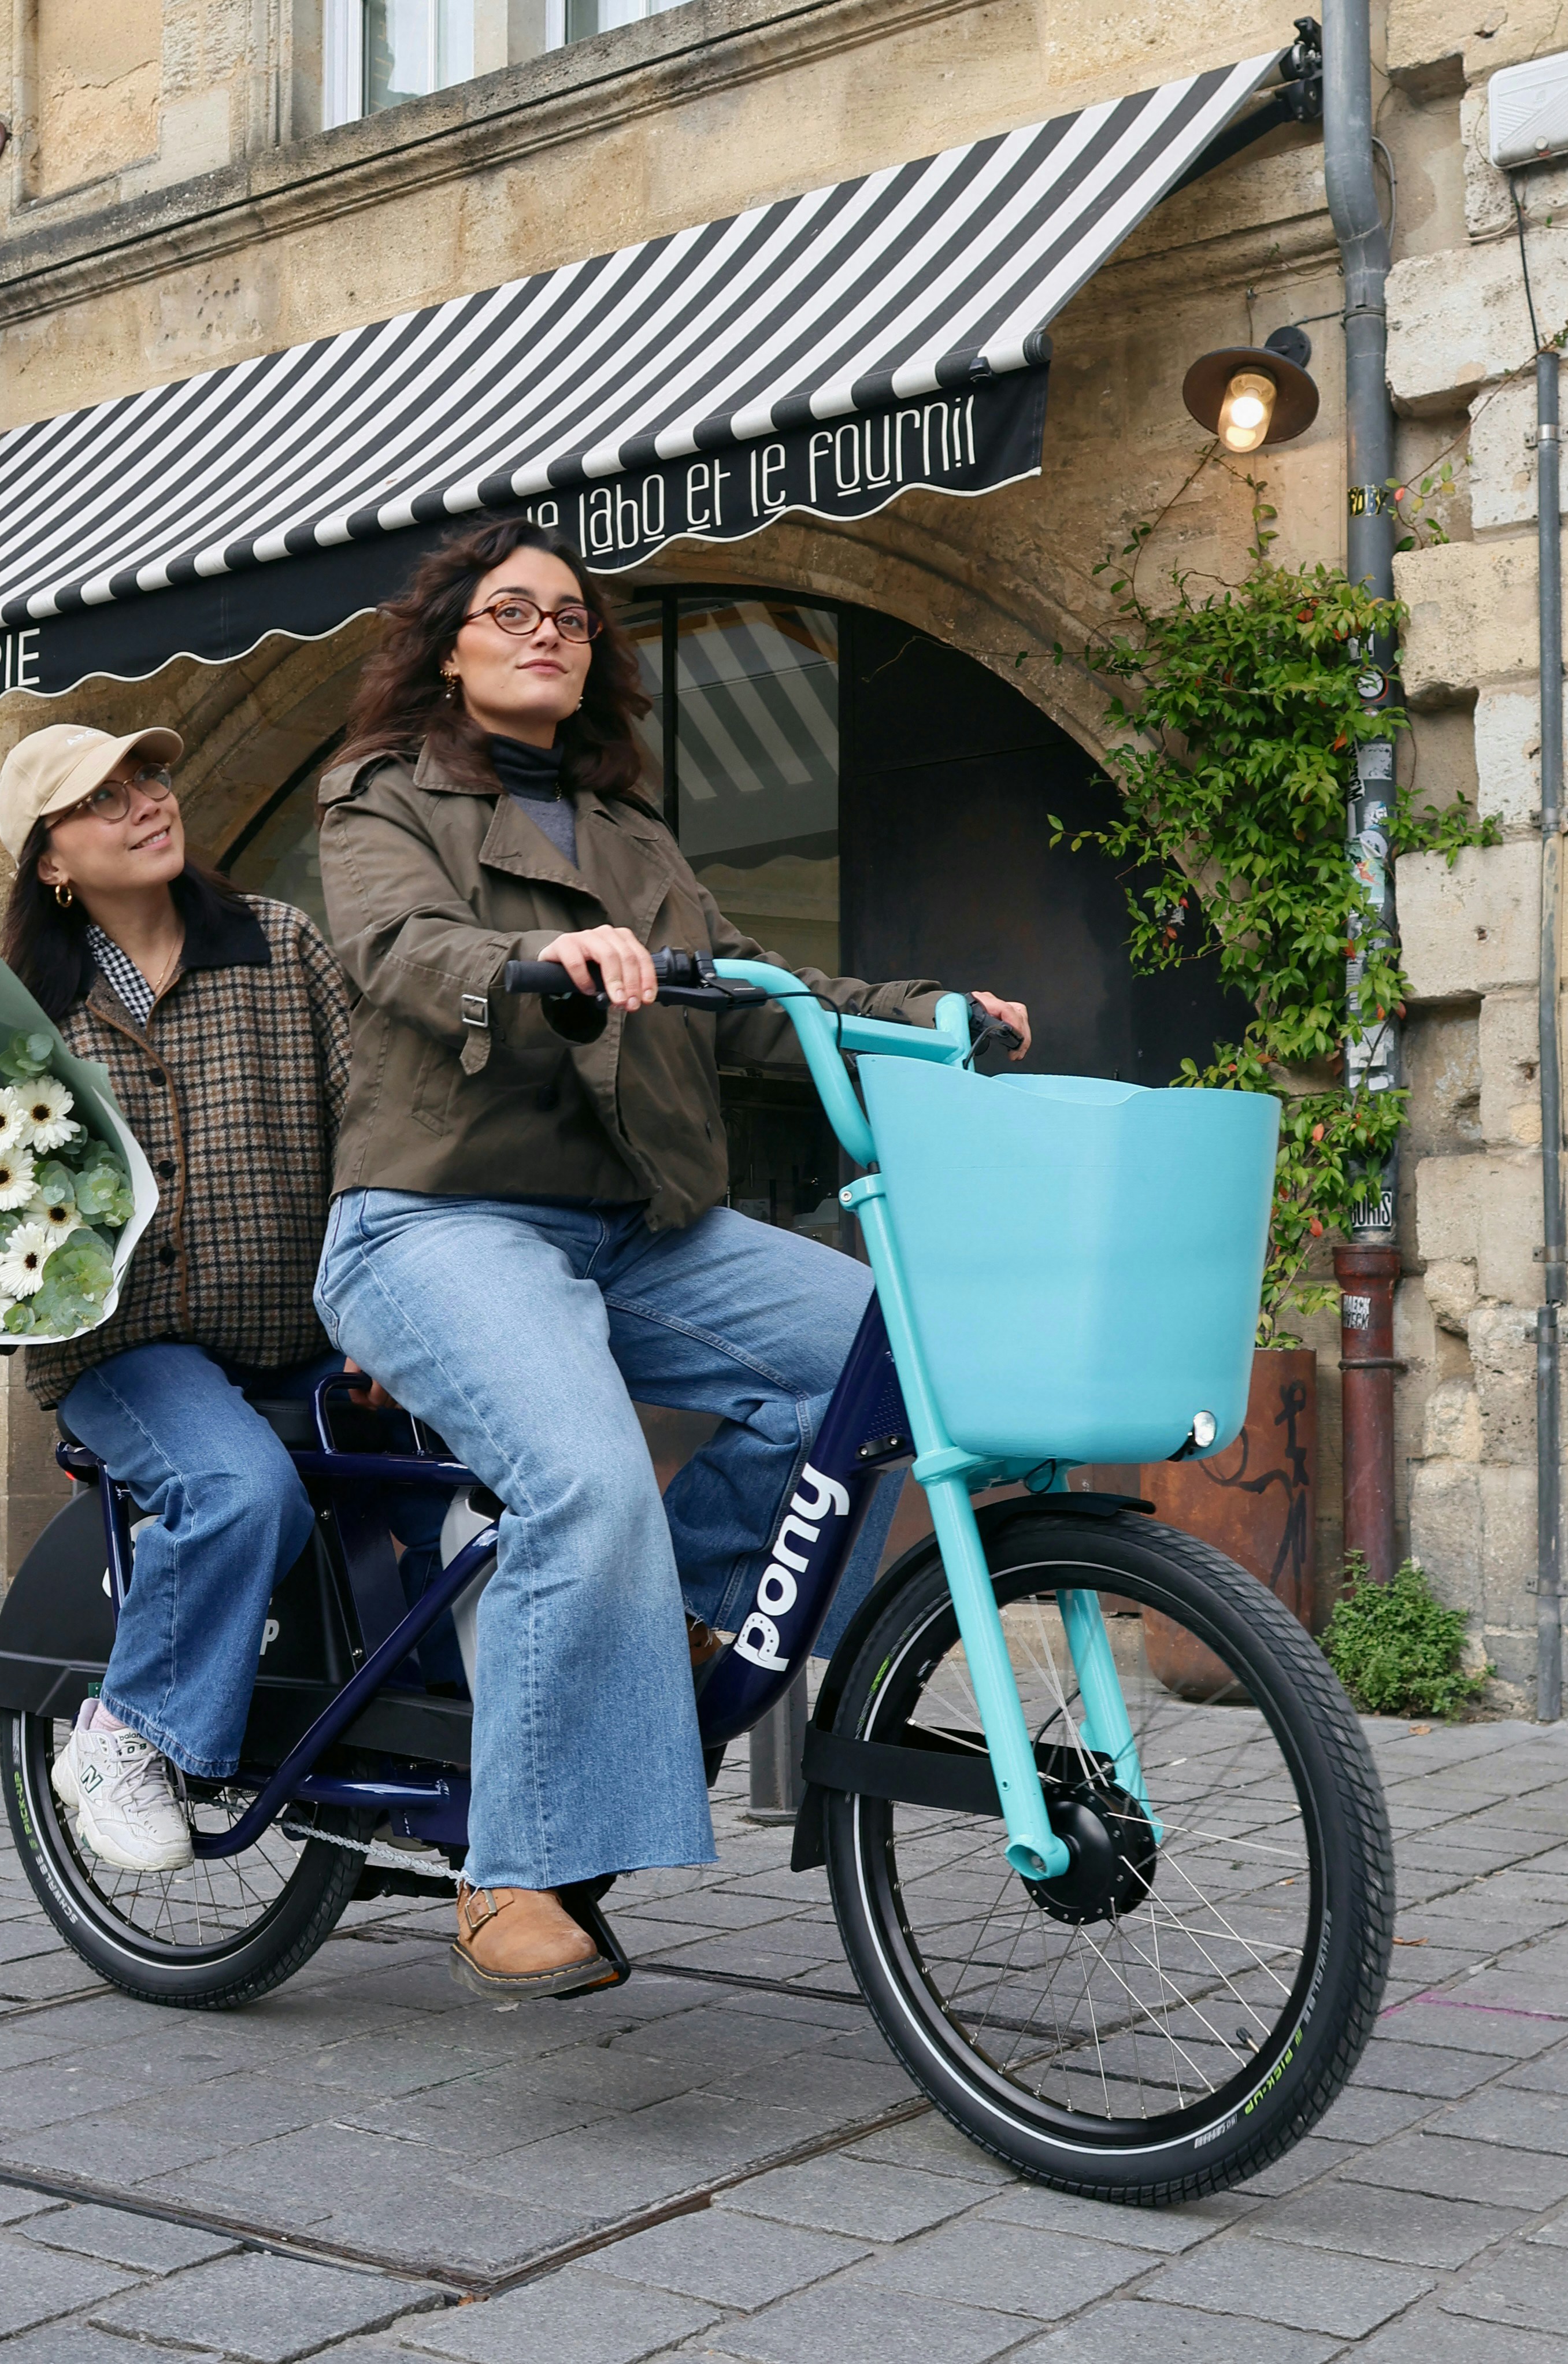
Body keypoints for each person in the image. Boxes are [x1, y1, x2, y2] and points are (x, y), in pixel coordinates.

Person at [313, 518, 1029, 1999]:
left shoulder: (629, 834)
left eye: (568, 618)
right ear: (447, 643)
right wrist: (532, 969)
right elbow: (399, 949)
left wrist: (919, 1011)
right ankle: (508, 1870)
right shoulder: (379, 798)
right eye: (508, 611)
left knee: (874, 1349)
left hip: (635, 1222)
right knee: (579, 1480)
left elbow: (758, 996)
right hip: (440, 1216)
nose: (543, 633)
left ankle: (693, 1613)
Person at [0, 721, 354, 1876]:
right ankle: (121, 1732)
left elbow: (380, 1124)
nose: (147, 802)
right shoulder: (17, 1020)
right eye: (103, 799)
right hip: (124, 1349)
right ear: (52, 860)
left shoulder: (280, 943)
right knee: (241, 1488)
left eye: (147, 779)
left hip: (303, 1327)